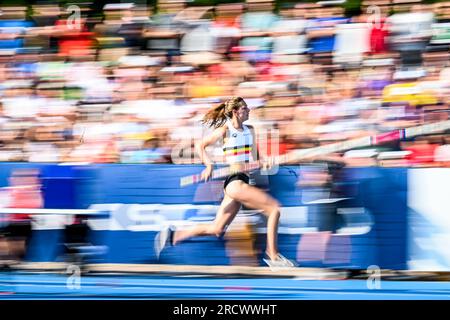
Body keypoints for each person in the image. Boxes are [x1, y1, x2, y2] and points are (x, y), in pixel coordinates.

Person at [155, 96, 294, 267]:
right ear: (235, 112)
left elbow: (257, 159)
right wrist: (208, 166)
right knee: (274, 209)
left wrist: (266, 162)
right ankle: (273, 256)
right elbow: (200, 145)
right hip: (234, 183)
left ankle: (172, 235)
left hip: (240, 181)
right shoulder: (225, 130)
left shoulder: (250, 130)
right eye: (245, 108)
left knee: (217, 229)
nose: (249, 110)